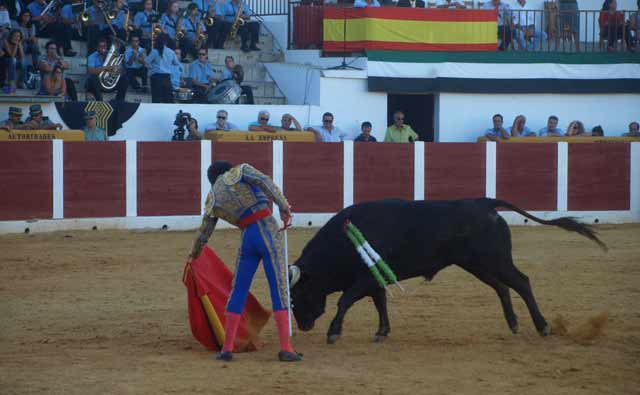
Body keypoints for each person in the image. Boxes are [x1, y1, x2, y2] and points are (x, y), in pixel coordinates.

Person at [188, 161, 301, 362]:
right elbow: (265, 182)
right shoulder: (240, 171)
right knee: (279, 287)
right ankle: (286, 348)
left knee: (238, 289)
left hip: (248, 237)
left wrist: (194, 254)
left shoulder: (213, 197)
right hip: (266, 229)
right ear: (227, 170)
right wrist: (284, 206)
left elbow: (205, 231)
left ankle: (227, 348)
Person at [145, 32, 180, 103]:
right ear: (166, 42)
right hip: (167, 78)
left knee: (156, 99)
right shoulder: (171, 52)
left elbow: (146, 62)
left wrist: (151, 67)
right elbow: (176, 63)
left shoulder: (155, 51)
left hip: (156, 77)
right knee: (167, 100)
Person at [2, 29, 26, 93]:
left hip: (14, 61)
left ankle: (21, 82)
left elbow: (22, 56)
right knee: (13, 60)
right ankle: (11, 82)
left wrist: (19, 45)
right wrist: (16, 45)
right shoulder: (6, 42)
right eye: (15, 36)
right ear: (11, 36)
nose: (17, 37)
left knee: (23, 62)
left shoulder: (19, 43)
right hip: (5, 60)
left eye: (18, 36)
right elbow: (12, 55)